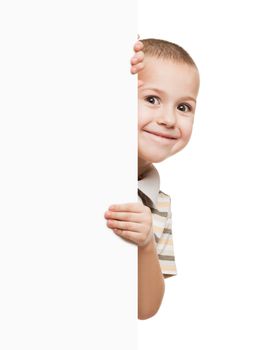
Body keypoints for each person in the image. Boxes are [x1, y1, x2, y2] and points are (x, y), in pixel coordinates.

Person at [104, 37, 200, 320]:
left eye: (184, 107)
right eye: (151, 99)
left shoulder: (159, 204)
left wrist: (145, 243)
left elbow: (144, 309)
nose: (169, 119)